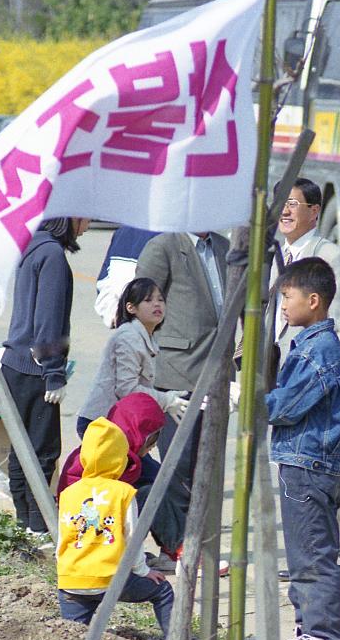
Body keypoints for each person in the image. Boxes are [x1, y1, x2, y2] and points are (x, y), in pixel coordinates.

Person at [271, 178, 340, 582]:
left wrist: (330, 383)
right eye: (283, 204)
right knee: (299, 466)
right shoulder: (276, 254)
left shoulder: (328, 257)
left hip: (318, 383)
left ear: (315, 211)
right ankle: (311, 550)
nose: (286, 211)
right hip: (285, 377)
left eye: (294, 204)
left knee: (321, 465)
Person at [267, 257, 340, 640]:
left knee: (313, 560)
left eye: (288, 296)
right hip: (302, 464)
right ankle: (309, 635)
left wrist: (243, 395)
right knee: (303, 557)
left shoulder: (319, 350)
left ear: (314, 300)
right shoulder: (307, 343)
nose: (283, 305)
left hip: (309, 467)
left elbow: (283, 407)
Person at [135, 228, 231, 565]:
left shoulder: (222, 246)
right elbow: (141, 306)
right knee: (182, 462)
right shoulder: (164, 247)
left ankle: (187, 547)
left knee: (209, 464)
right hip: (177, 370)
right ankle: (182, 546)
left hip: (218, 371)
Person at [1, 216, 89, 544]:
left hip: (14, 363)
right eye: (86, 217)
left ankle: (23, 518)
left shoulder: (32, 246)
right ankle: (38, 526)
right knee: (42, 451)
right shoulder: (52, 255)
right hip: (36, 368)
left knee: (20, 449)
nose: (89, 224)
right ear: (71, 218)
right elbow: (48, 319)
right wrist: (54, 373)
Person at [56, 416, 175, 636]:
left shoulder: (68, 493)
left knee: (73, 636)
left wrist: (66, 572)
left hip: (71, 581)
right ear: (120, 458)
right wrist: (143, 570)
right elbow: (133, 539)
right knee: (163, 591)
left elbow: (64, 537)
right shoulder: (124, 493)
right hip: (110, 579)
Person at [59, 393, 185, 574]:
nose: (153, 447)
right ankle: (183, 553)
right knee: (150, 494)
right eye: (151, 441)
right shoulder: (108, 453)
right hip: (87, 524)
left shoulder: (122, 446)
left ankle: (171, 551)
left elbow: (161, 478)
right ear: (140, 434)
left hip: (95, 519)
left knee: (155, 485)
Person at [76, 277, 187, 439]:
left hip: (118, 424)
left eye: (160, 300)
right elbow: (126, 389)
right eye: (148, 300)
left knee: (147, 465)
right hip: (100, 424)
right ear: (131, 308)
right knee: (146, 466)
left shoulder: (147, 336)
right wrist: (166, 399)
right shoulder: (129, 337)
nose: (157, 304)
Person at [93, 225, 159, 328]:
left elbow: (104, 284)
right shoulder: (173, 236)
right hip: (159, 333)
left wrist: (118, 316)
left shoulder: (123, 232)